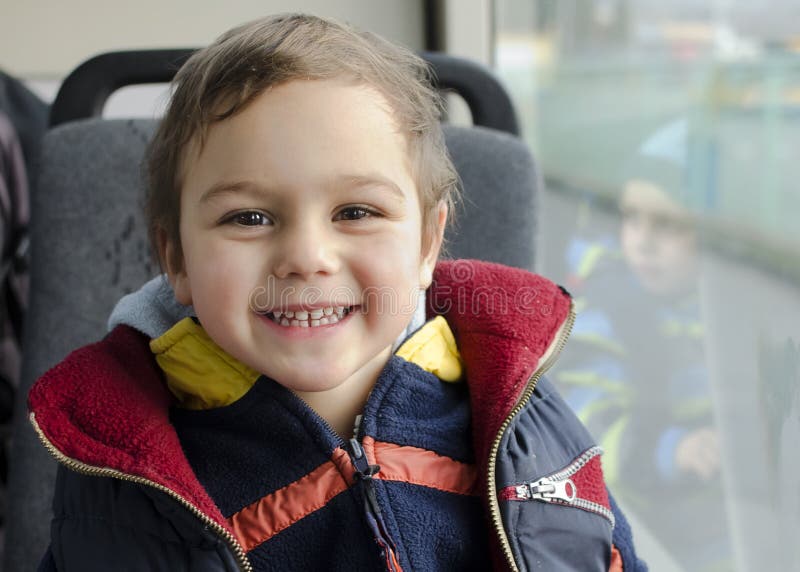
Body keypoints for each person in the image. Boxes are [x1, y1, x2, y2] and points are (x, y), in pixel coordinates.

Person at [29, 14, 645, 571]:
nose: (306, 258)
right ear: (178, 258)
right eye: (248, 218)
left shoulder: (521, 414)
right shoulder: (125, 468)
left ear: (428, 246)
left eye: (355, 211)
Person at [556, 119, 730, 570]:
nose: (643, 241)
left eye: (668, 224)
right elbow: (585, 429)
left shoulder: (730, 308)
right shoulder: (609, 312)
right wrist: (670, 451)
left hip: (725, 516)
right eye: (631, 218)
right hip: (642, 523)